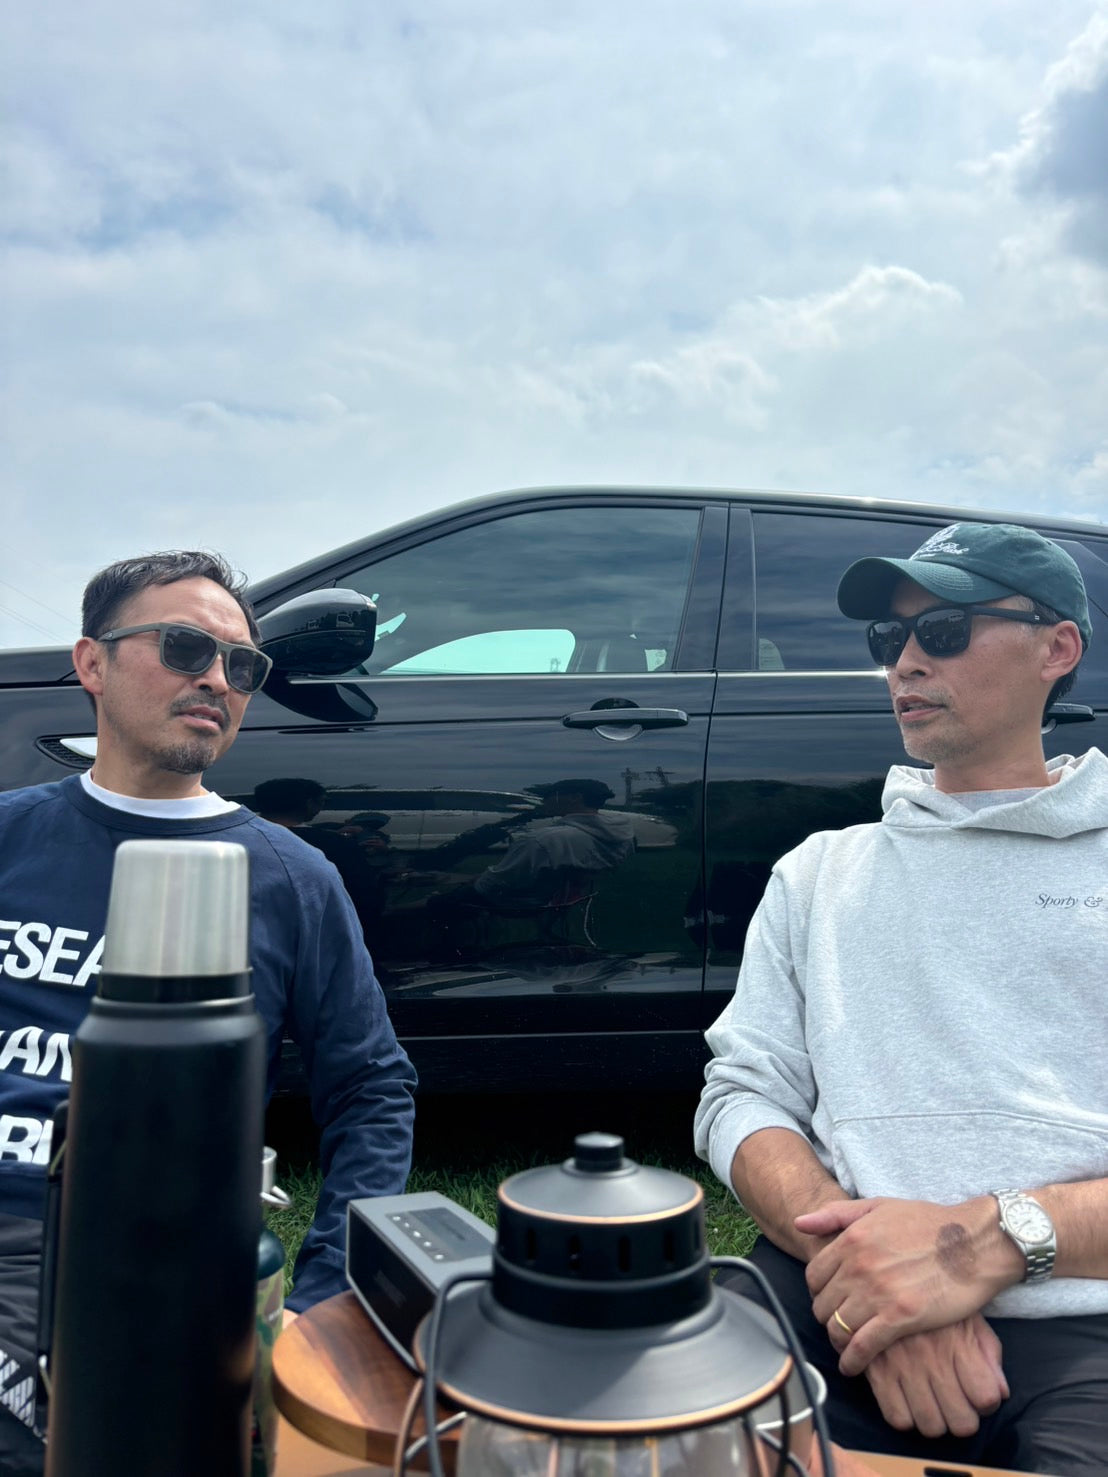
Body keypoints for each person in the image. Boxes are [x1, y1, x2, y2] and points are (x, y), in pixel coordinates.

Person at [694, 522, 1107, 1476]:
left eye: (945, 630)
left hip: (1084, 1321)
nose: (906, 661)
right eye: (890, 637)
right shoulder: (820, 873)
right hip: (827, 1297)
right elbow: (741, 1096)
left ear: (1057, 648)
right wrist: (867, 1279)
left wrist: (976, 1250)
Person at [0, 551, 417, 1471]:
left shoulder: (289, 878)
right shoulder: (10, 835)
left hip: (141, 1243)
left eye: (243, 665)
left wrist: (320, 1300)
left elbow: (372, 1089)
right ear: (92, 662)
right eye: (186, 647)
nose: (218, 680)